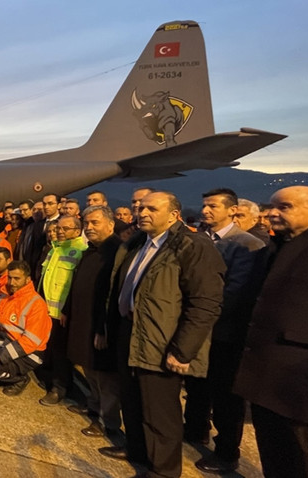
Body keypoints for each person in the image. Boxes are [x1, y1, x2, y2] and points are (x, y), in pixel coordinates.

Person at [99, 191, 225, 478]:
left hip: (162, 340)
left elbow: (205, 301)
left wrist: (183, 350)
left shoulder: (191, 245)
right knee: (132, 399)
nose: (142, 212)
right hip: (131, 332)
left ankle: (164, 470)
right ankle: (138, 450)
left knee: (160, 411)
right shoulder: (139, 243)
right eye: (141, 208)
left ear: (173, 215)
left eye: (151, 209)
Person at [234, 186, 308, 477]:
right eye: (271, 207)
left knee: (307, 460)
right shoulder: (277, 246)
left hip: (303, 387)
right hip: (265, 379)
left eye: (284, 207)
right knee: (275, 456)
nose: (271, 213)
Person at [182, 188, 266, 473]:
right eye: (204, 205)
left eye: (213, 206)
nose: (206, 211)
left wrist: (201, 318)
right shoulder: (200, 239)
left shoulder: (246, 244)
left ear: (232, 210)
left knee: (225, 396)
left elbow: (236, 293)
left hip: (223, 333)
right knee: (196, 386)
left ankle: (227, 452)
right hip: (197, 330)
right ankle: (195, 429)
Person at [63, 206, 122, 438]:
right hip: (83, 321)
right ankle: (92, 405)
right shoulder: (91, 250)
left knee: (104, 378)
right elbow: (76, 282)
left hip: (100, 326)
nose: (89, 228)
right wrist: (68, 309)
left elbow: (113, 295)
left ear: (110, 224)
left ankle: (108, 424)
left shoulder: (117, 253)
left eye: (95, 223)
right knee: (89, 370)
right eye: (87, 223)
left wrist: (103, 329)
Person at [0, 260, 51, 396]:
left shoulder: (37, 304)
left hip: (29, 354)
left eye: (17, 279)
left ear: (27, 279)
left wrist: (0, 355)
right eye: (10, 278)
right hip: (7, 344)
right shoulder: (7, 296)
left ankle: (20, 380)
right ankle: (4, 368)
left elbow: (30, 342)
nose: (12, 282)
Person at [37, 215, 87, 406]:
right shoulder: (54, 250)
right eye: (58, 228)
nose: (59, 231)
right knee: (50, 348)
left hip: (62, 314)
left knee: (61, 353)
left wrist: (68, 310)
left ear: (77, 231)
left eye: (65, 229)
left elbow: (76, 287)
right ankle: (49, 377)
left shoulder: (80, 251)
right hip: (47, 310)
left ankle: (59, 389)